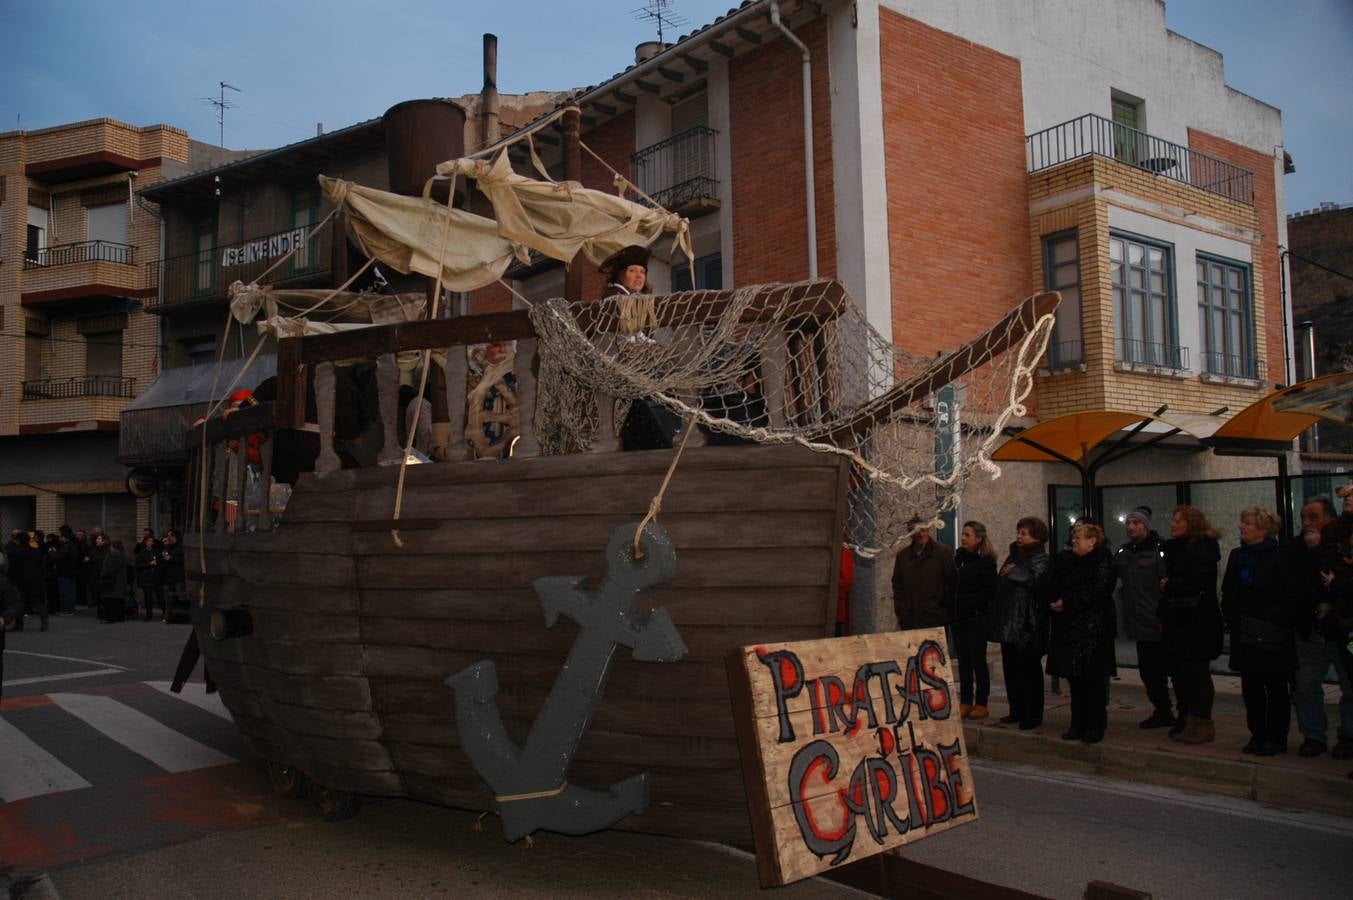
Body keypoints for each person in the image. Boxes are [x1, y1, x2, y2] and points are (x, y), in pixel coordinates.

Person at [1222, 507, 1293, 756]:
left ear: (1263, 529)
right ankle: (1258, 733)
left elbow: (1287, 594)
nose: (1242, 527)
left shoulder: (1279, 555)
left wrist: (1272, 619)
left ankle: (1277, 737)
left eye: (1248, 523)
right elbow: (1229, 591)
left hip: (1272, 634)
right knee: (1251, 688)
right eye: (1243, 522)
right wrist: (1234, 619)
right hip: (1245, 633)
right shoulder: (1237, 555)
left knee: (1275, 688)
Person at [1290, 495, 1353, 759]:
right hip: (1311, 629)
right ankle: (1313, 736)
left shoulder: (1339, 543)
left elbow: (1339, 578)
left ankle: (1348, 736)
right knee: (1305, 685)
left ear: (1330, 517)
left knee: (1349, 686)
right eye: (1303, 517)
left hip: (1341, 628)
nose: (1307, 523)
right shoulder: (1295, 548)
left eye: (1313, 517)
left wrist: (1319, 551)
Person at [1047, 522, 1118, 744]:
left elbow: (1097, 591)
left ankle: (1095, 724)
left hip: (1093, 628)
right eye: (1073, 537)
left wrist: (1067, 602)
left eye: (1079, 537)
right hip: (1070, 627)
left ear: (1092, 541)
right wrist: (1057, 599)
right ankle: (1077, 722)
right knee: (1075, 679)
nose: (1074, 541)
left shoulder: (1103, 560)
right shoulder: (1069, 561)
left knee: (1093, 680)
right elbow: (1054, 582)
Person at [1160, 505, 1224, 744]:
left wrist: (1171, 585)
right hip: (1179, 618)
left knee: (1197, 674)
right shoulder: (1176, 548)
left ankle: (1201, 723)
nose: (1173, 524)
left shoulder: (1203, 547)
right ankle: (1186, 718)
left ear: (1191, 523)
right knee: (1181, 674)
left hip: (1197, 620)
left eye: (1178, 521)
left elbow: (1197, 581)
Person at [1114, 506, 1175, 729]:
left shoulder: (1160, 549)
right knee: (1148, 671)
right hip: (1138, 620)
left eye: (1136, 523)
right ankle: (1163, 710)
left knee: (1165, 669)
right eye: (1128, 523)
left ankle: (1174, 712)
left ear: (1146, 525)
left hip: (1158, 618)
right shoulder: (1124, 552)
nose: (1131, 527)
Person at [990, 516, 1052, 730]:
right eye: (1018, 532)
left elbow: (1036, 581)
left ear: (1036, 536)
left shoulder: (1041, 559)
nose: (1019, 536)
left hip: (1028, 625)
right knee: (1012, 672)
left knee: (1029, 673)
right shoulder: (1014, 556)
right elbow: (1001, 582)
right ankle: (1016, 710)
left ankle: (1032, 714)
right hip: (1009, 624)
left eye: (1023, 533)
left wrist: (1014, 573)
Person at [954, 521, 998, 719]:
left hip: (976, 618)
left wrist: (969, 604)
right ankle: (965, 700)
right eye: (963, 534)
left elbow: (988, 591)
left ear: (978, 539)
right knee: (963, 661)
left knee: (977, 660)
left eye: (968, 535)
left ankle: (981, 701)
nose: (964, 538)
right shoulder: (959, 558)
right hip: (959, 617)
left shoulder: (986, 562)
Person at [892, 519, 957, 630]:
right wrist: (901, 610)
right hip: (910, 619)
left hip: (935, 618)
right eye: (917, 532)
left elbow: (952, 583)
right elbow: (898, 585)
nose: (921, 535)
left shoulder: (942, 553)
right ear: (910, 535)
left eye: (924, 530)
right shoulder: (903, 556)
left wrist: (943, 611)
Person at [4, 531, 47, 632]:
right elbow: (41, 565)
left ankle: (19, 625)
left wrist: (10, 579)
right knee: (37, 601)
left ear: (18, 540)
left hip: (20, 580)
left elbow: (12, 568)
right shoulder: (36, 551)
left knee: (19, 602)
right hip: (36, 579)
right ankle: (44, 621)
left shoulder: (16, 552)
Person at [133, 535, 164, 623]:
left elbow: (161, 562)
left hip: (156, 577)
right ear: (145, 542)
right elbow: (138, 565)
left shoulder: (156, 552)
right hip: (146, 578)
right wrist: (149, 564)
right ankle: (149, 615)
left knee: (160, 596)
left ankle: (165, 613)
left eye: (151, 541)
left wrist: (157, 565)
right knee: (148, 597)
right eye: (149, 541)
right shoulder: (141, 553)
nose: (150, 543)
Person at [98, 538, 129, 624]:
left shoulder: (113, 555)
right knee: (118, 601)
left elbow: (111, 569)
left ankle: (110, 618)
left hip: (112, 582)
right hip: (120, 582)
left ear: (114, 547)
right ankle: (119, 617)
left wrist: (102, 574)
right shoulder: (123, 555)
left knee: (109, 601)